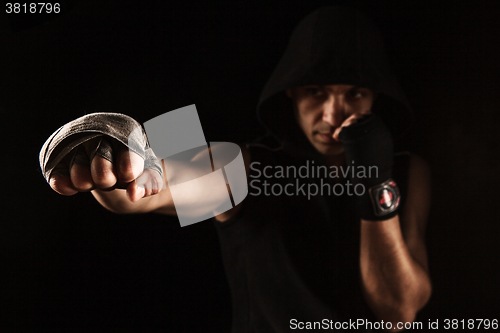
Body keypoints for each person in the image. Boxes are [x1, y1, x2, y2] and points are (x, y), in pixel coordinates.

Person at [40, 6, 431, 332]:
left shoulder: (407, 170)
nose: (333, 113)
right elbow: (144, 191)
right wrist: (122, 153)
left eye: (355, 93)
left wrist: (374, 182)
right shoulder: (245, 163)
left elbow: (398, 313)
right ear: (291, 92)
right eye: (317, 91)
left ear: (377, 96)